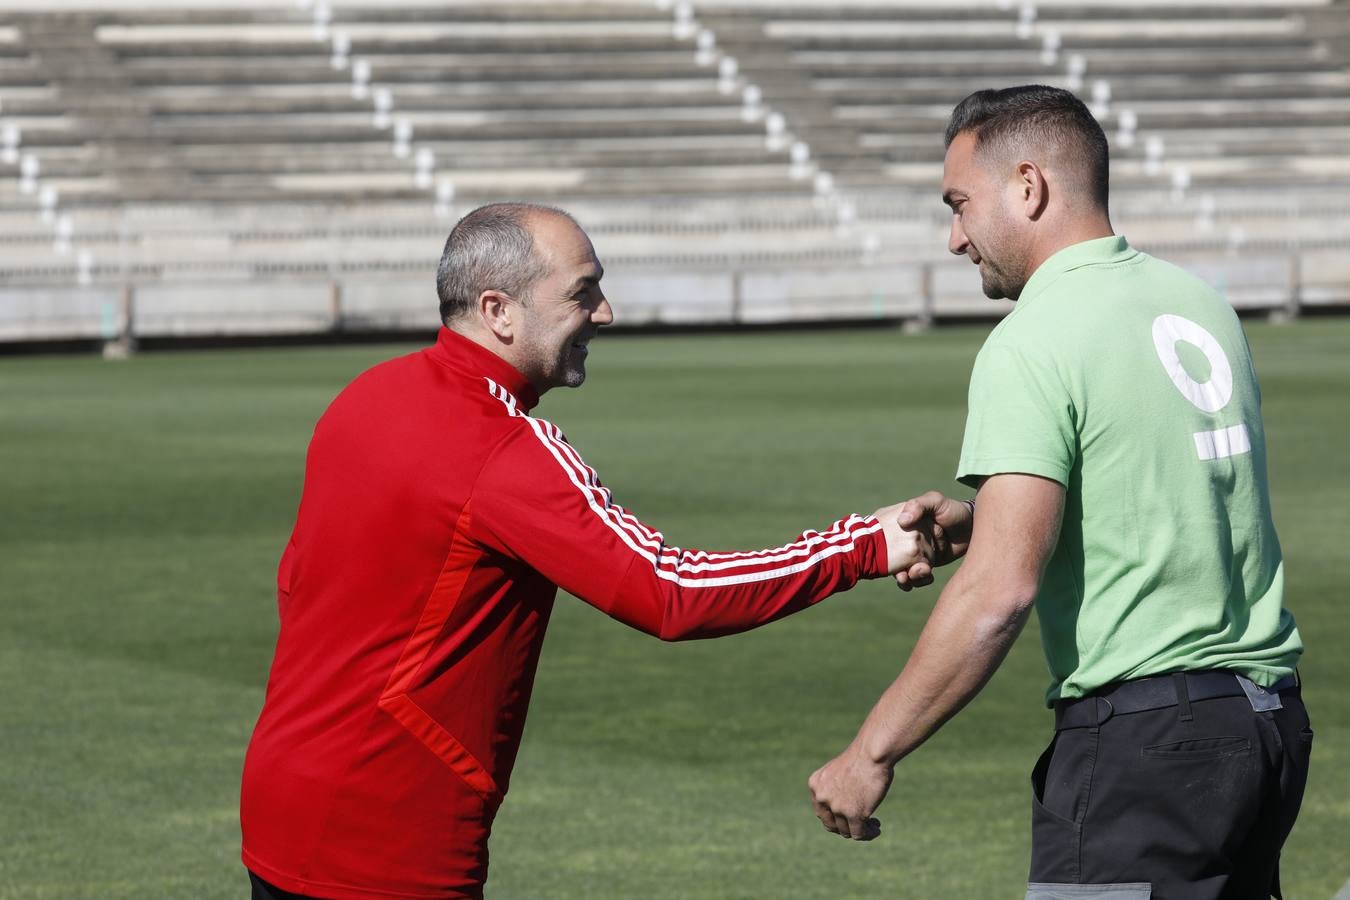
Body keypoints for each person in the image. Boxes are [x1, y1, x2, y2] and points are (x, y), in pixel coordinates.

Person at [240, 202, 936, 900]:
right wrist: (863, 545)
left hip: (279, 804)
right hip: (389, 837)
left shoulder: (364, 396)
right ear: (498, 310)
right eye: (582, 292)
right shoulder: (505, 447)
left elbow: (296, 586)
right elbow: (670, 592)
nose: (604, 313)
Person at [807, 86, 1310, 900]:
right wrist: (986, 520)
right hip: (1268, 726)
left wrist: (872, 752)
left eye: (960, 204)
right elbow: (1164, 492)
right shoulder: (1200, 304)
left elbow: (1000, 593)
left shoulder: (1034, 338)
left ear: (1029, 187)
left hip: (1149, 745)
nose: (954, 238)